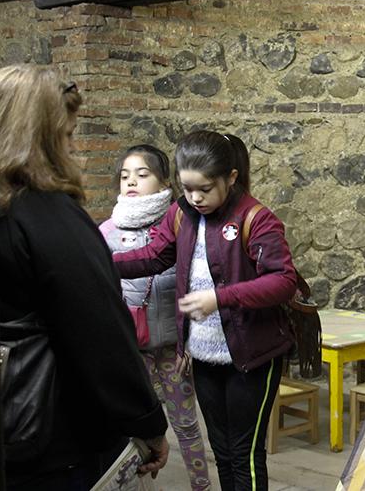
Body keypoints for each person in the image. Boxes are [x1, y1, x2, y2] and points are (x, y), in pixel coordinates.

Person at [0, 64, 170, 490]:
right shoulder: (46, 215)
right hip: (50, 431)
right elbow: (99, 332)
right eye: (67, 135)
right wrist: (147, 422)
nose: (72, 148)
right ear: (42, 137)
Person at [112, 130, 297, 491]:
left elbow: (282, 280)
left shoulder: (256, 218)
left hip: (253, 355)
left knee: (244, 452)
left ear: (230, 177)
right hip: (204, 353)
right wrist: (102, 261)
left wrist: (221, 297)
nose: (195, 198)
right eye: (187, 188)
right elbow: (153, 256)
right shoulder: (182, 214)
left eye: (205, 189)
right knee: (222, 450)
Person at [99, 144, 211, 490]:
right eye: (125, 175)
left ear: (165, 183)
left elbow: (195, 284)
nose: (131, 181)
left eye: (142, 174)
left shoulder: (180, 227)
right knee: (136, 427)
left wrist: (189, 342)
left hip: (173, 350)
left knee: (186, 425)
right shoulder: (107, 233)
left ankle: (201, 486)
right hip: (133, 352)